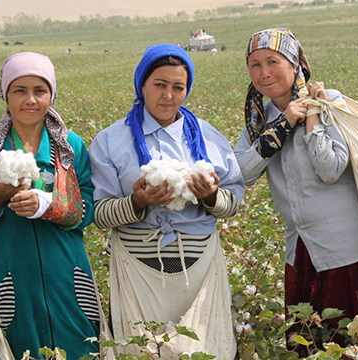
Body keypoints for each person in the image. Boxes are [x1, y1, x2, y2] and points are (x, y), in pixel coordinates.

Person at [233, 28, 358, 357]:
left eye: (273, 61)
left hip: (346, 253)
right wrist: (282, 126)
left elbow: (331, 169)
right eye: (254, 64)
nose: (264, 73)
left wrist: (312, 114)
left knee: (352, 348)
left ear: (295, 63)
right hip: (299, 252)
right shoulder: (260, 119)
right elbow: (240, 173)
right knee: (304, 347)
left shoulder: (332, 103)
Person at [88, 44, 244, 357]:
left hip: (200, 275)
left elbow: (233, 202)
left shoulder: (208, 138)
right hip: (138, 272)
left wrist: (211, 196)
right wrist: (136, 201)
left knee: (207, 351)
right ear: (141, 85)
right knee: (141, 353)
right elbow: (100, 214)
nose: (168, 96)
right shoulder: (110, 141)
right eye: (159, 85)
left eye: (178, 87)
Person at [0, 52, 99, 358]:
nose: (30, 100)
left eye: (40, 91)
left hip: (67, 276)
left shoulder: (70, 148)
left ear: (52, 95)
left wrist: (48, 205)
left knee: (79, 348)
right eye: (19, 90)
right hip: (10, 277)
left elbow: (87, 210)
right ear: (5, 95)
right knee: (18, 348)